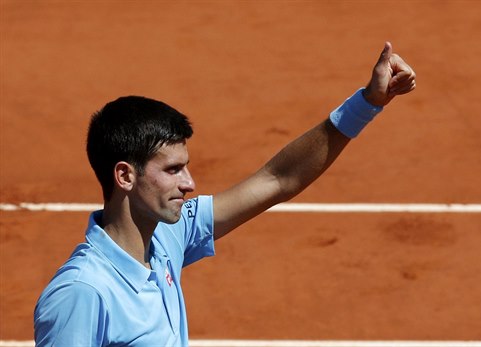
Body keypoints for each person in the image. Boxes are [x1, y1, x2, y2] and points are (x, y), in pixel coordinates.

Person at [34, 42, 415, 346]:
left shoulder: (167, 234)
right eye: (172, 170)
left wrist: (365, 105)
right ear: (125, 176)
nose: (189, 183)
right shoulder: (82, 293)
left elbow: (278, 180)